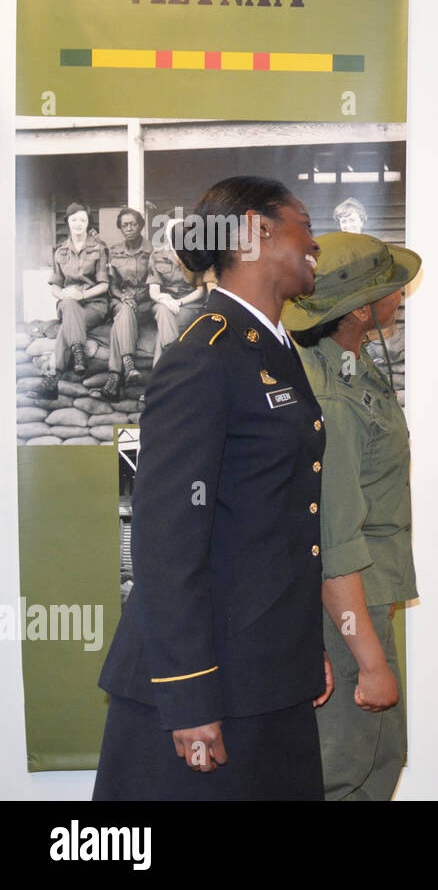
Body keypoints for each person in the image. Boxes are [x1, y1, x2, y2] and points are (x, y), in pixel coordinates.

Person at [94, 176, 332, 800]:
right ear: (254, 230)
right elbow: (167, 540)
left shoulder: (273, 350)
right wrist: (189, 696)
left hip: (266, 672)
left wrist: (299, 652)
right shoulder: (205, 354)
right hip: (209, 689)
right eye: (303, 224)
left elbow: (274, 528)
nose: (315, 241)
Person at [285, 230, 421, 801]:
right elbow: (332, 539)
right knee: (345, 774)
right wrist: (368, 661)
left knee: (377, 760)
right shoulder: (334, 396)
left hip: (364, 605)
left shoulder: (349, 366)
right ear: (359, 310)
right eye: (391, 286)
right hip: (346, 612)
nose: (402, 293)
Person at [30, 202, 110, 398]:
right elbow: (55, 286)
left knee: (67, 325)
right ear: (67, 222)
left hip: (94, 305)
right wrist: (66, 294)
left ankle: (52, 378)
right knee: (68, 303)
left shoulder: (99, 248)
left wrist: (81, 295)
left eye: (83, 220)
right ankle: (78, 352)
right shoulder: (60, 251)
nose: (78, 224)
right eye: (74, 220)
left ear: (88, 222)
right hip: (67, 304)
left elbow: (104, 285)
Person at [91, 208, 154, 401]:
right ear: (120, 228)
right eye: (124, 225)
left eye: (133, 224)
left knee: (119, 325)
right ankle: (128, 364)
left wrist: (138, 298)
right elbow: (113, 285)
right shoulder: (115, 251)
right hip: (121, 301)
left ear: (141, 226)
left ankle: (114, 378)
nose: (129, 228)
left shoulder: (152, 250)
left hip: (145, 303)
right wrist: (124, 297)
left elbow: (157, 282)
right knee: (124, 311)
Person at [148, 229, 209, 359]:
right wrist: (164, 299)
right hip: (162, 304)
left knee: (164, 330)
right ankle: (174, 358)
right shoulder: (157, 255)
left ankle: (161, 372)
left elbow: (201, 291)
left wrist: (178, 302)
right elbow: (153, 291)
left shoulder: (196, 255)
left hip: (189, 305)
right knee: (164, 312)